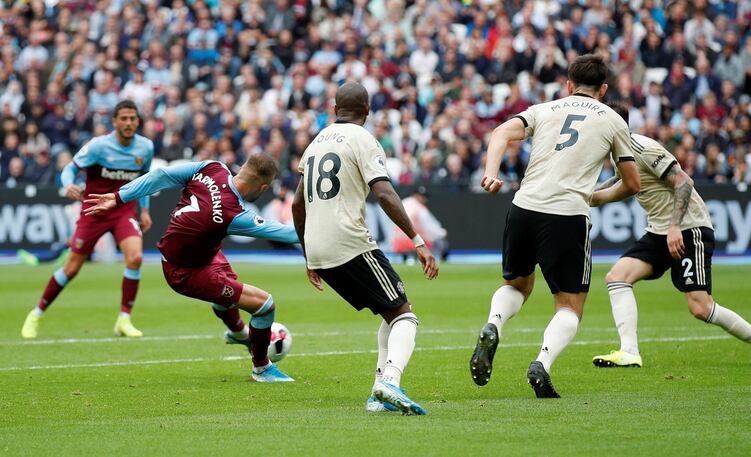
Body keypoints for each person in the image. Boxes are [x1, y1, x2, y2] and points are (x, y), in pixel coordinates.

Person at [469, 54, 641, 398]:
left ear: (568, 85)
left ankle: (494, 323)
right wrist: (598, 198)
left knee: (516, 284)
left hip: (523, 206)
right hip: (567, 214)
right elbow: (632, 183)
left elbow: (501, 132)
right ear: (604, 89)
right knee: (569, 304)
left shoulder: (544, 109)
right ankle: (542, 364)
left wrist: (491, 172)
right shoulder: (613, 120)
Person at [591, 103, 751, 368]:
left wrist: (675, 227)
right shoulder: (621, 154)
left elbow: (684, 182)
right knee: (617, 277)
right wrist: (585, 194)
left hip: (687, 228)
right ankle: (629, 352)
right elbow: (622, 184)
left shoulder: (643, 148)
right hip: (659, 231)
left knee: (701, 307)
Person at [83, 154, 298, 382]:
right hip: (185, 273)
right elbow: (290, 233)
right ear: (264, 187)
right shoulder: (234, 214)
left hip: (203, 255)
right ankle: (262, 368)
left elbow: (160, 175)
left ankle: (237, 333)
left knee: (229, 288)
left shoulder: (211, 168)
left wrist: (119, 197)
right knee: (265, 305)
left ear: (242, 167)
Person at [292, 81, 439, 415]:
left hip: (318, 248)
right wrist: (417, 240)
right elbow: (384, 193)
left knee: (389, 310)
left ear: (334, 110)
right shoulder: (363, 138)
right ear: (367, 111)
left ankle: (378, 392)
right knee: (405, 315)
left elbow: (298, 203)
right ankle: (389, 381)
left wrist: (307, 255)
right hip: (349, 241)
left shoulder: (315, 142)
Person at [21, 100, 154, 339]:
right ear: (114, 121)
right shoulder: (98, 146)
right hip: (94, 210)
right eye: (123, 118)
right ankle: (36, 313)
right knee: (71, 268)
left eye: (133, 118)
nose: (128, 123)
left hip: (123, 211)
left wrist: (144, 211)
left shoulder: (145, 148)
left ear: (137, 121)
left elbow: (144, 181)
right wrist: (68, 184)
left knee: (135, 257)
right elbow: (69, 169)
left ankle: (124, 319)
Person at [392, 186, 448, 260]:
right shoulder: (419, 208)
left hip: (398, 243)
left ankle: (406, 258)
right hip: (415, 243)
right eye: (421, 196)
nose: (423, 198)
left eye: (424, 196)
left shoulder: (403, 203)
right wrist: (442, 233)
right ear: (414, 195)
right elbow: (430, 227)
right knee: (441, 241)